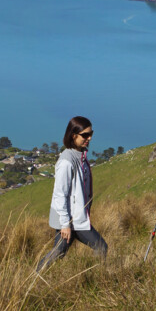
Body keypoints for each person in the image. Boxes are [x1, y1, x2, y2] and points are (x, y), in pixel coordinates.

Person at [36, 116, 107, 272]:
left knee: (59, 252)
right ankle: (98, 277)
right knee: (101, 247)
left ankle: (37, 276)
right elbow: (60, 194)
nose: (89, 138)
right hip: (70, 219)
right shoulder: (66, 162)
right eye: (85, 135)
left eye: (91, 134)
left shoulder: (80, 155)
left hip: (76, 217)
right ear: (73, 135)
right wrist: (65, 224)